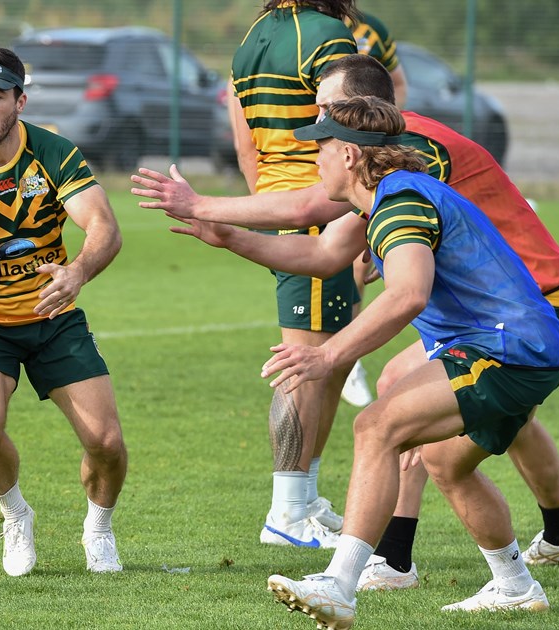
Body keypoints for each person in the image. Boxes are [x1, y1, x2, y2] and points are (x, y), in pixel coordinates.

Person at [132, 53, 559, 586]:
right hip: (493, 316)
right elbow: (325, 254)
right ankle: (543, 549)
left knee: (397, 409)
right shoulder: (387, 173)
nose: (319, 129)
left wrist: (201, 204)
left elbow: (323, 223)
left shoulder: (406, 161)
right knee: (449, 450)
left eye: (329, 114)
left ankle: (386, 562)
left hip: (523, 303)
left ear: (358, 133)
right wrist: (229, 236)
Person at [0, 47, 127, 576]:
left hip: (55, 319)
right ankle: (15, 515)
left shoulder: (53, 154)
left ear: (20, 100)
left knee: (106, 443)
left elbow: (103, 227)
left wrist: (76, 271)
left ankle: (98, 527)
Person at [226, 0, 360, 549]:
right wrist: (351, 212)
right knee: (306, 363)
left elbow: (244, 145)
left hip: (290, 208)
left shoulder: (252, 37)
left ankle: (303, 499)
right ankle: (285, 512)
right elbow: (356, 134)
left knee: (329, 361)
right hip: (320, 209)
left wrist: (272, 209)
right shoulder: (328, 33)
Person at [339, 11, 408, 407]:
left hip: (371, 159)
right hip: (345, 160)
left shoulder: (373, 30)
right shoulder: (309, 28)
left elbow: (397, 84)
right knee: (350, 257)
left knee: (356, 257)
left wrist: (385, 128)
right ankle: (350, 361)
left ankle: (347, 357)